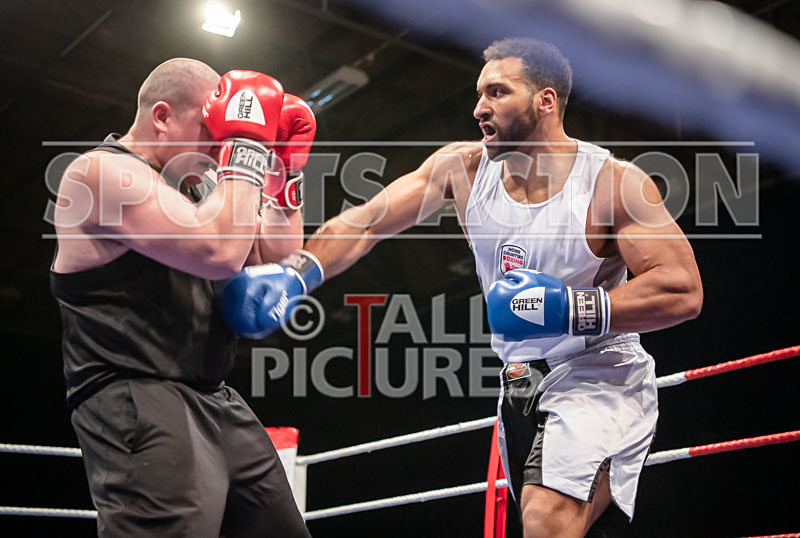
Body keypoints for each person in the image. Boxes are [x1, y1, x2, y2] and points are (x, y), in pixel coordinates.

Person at [220, 38, 703, 537]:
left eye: (497, 92)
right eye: (479, 93)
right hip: (518, 384)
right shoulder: (462, 168)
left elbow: (682, 289)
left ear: (546, 101)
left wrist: (569, 307)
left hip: (597, 377)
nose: (478, 108)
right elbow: (368, 223)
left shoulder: (612, 183)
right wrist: (299, 271)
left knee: (546, 520)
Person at [50, 58, 314, 537]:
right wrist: (251, 145)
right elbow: (216, 250)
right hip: (138, 398)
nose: (220, 148)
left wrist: (284, 175)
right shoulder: (98, 174)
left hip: (215, 399)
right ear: (162, 117)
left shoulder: (202, 188)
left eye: (226, 132)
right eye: (211, 130)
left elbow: (275, 262)